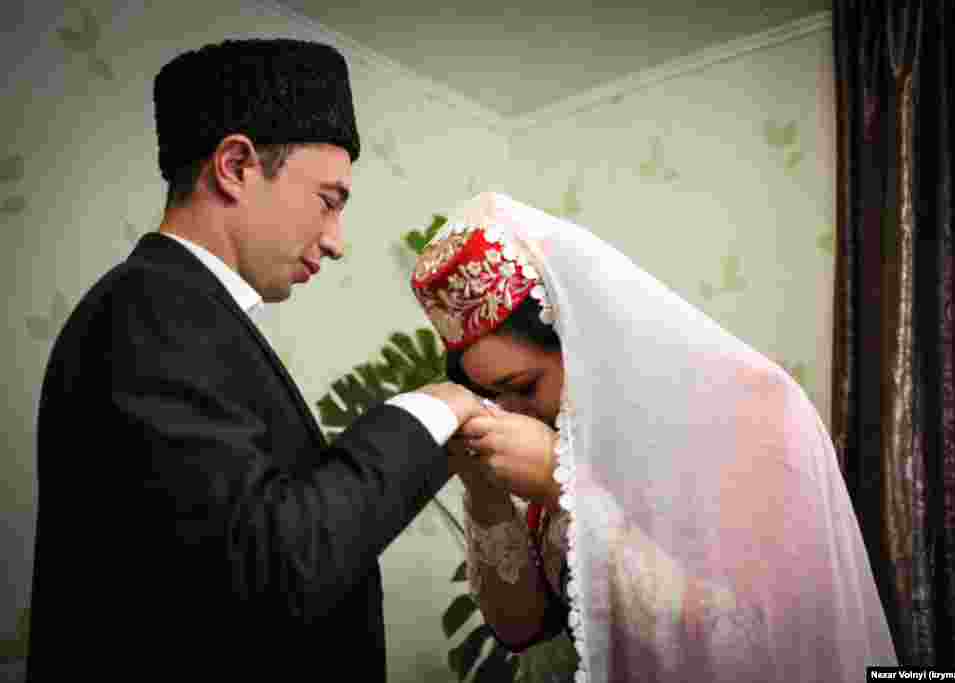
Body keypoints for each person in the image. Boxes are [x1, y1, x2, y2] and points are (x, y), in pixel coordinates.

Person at [27, 39, 487, 681]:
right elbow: (279, 564)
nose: (336, 242)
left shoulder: (183, 312)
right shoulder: (148, 308)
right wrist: (432, 407)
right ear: (237, 165)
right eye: (329, 200)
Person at [409, 192, 899, 682]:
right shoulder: (567, 437)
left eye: (522, 387)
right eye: (493, 396)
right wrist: (485, 493)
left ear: (580, 338)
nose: (511, 413)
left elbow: (751, 646)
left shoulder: (758, 413)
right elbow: (524, 627)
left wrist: (567, 488)